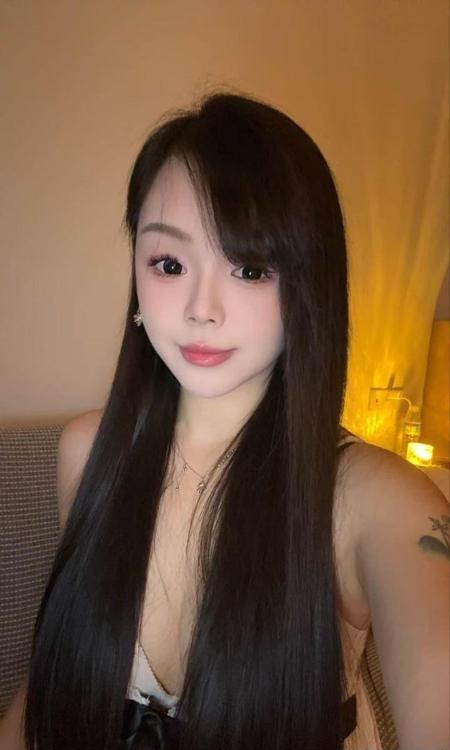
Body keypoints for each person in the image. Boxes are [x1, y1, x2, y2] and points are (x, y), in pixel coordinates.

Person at [0, 92, 448, 750]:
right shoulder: (89, 452)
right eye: (169, 264)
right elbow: (49, 682)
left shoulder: (376, 500)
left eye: (250, 267)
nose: (201, 309)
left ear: (309, 284)